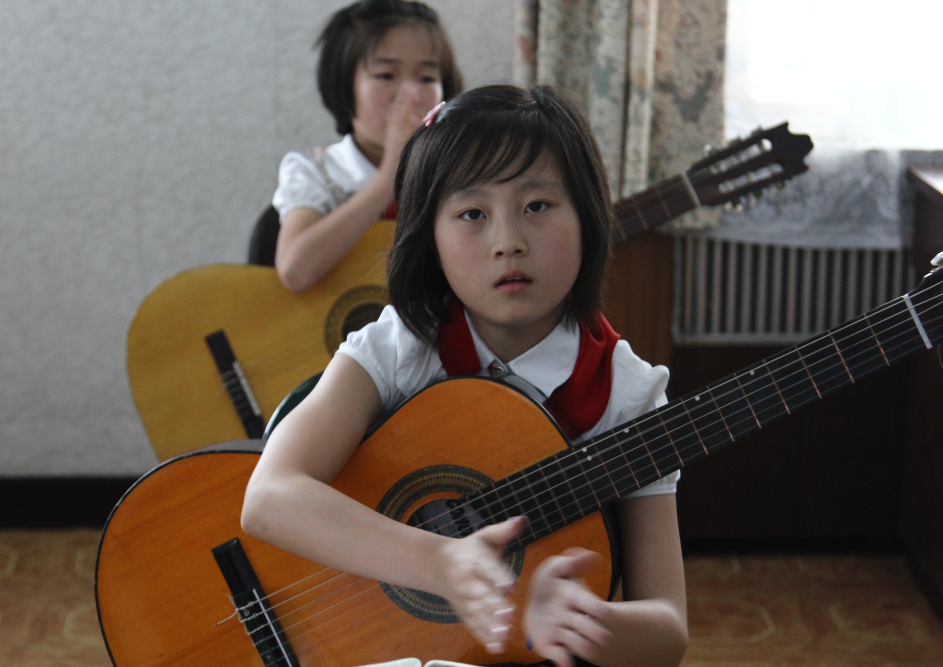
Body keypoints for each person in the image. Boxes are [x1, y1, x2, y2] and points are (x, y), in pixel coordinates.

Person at [243, 85, 688, 667]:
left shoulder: (626, 395)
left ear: (588, 215)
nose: (508, 242)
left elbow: (668, 627)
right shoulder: (403, 345)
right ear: (430, 236)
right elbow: (269, 497)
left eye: (537, 206)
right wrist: (436, 562)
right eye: (472, 214)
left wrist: (587, 622)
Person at [273, 0, 462, 292]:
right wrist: (390, 174)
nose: (411, 95)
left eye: (427, 77)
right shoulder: (318, 171)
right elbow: (296, 271)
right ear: (343, 87)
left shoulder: (460, 170)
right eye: (386, 75)